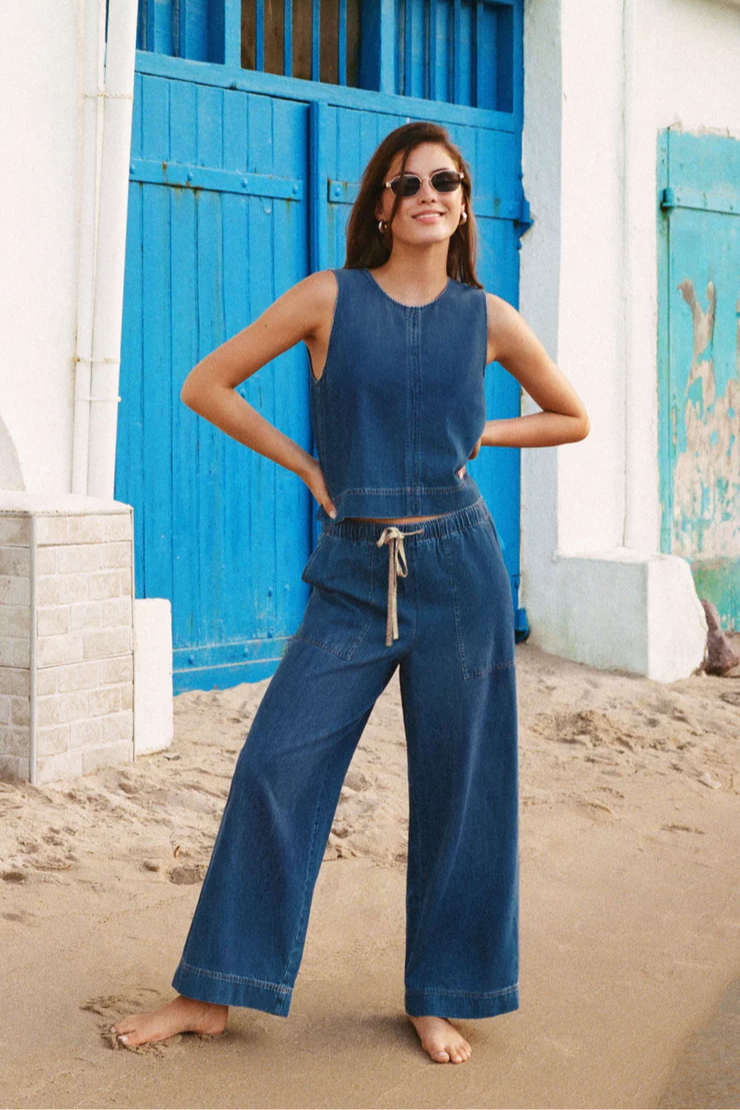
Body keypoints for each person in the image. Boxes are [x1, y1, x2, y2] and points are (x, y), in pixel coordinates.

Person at [111, 121, 589, 1064]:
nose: (428, 195)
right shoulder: (329, 298)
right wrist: (306, 465)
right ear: (380, 205)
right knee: (274, 765)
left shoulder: (488, 318)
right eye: (408, 183)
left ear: (464, 204)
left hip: (462, 570)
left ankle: (443, 993)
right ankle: (212, 991)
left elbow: (570, 417)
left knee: (463, 786)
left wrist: (482, 435)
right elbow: (207, 385)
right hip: (355, 571)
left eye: (445, 181)